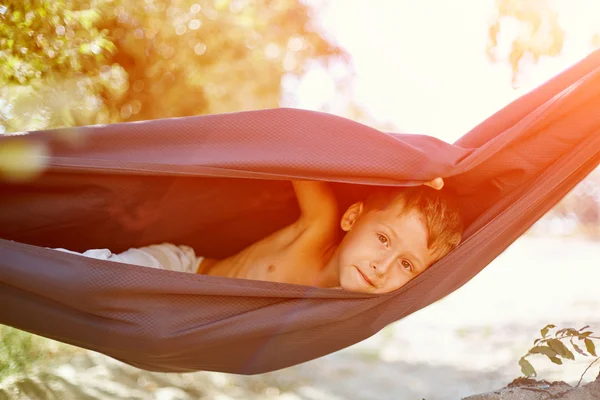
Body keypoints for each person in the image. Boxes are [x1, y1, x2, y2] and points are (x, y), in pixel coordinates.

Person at [57, 179, 463, 294]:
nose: (383, 265)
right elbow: (300, 145)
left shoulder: (351, 313)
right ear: (351, 218)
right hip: (181, 270)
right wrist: (398, 168)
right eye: (384, 239)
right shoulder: (319, 225)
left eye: (407, 264)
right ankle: (36, 264)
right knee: (96, 276)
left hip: (186, 319)